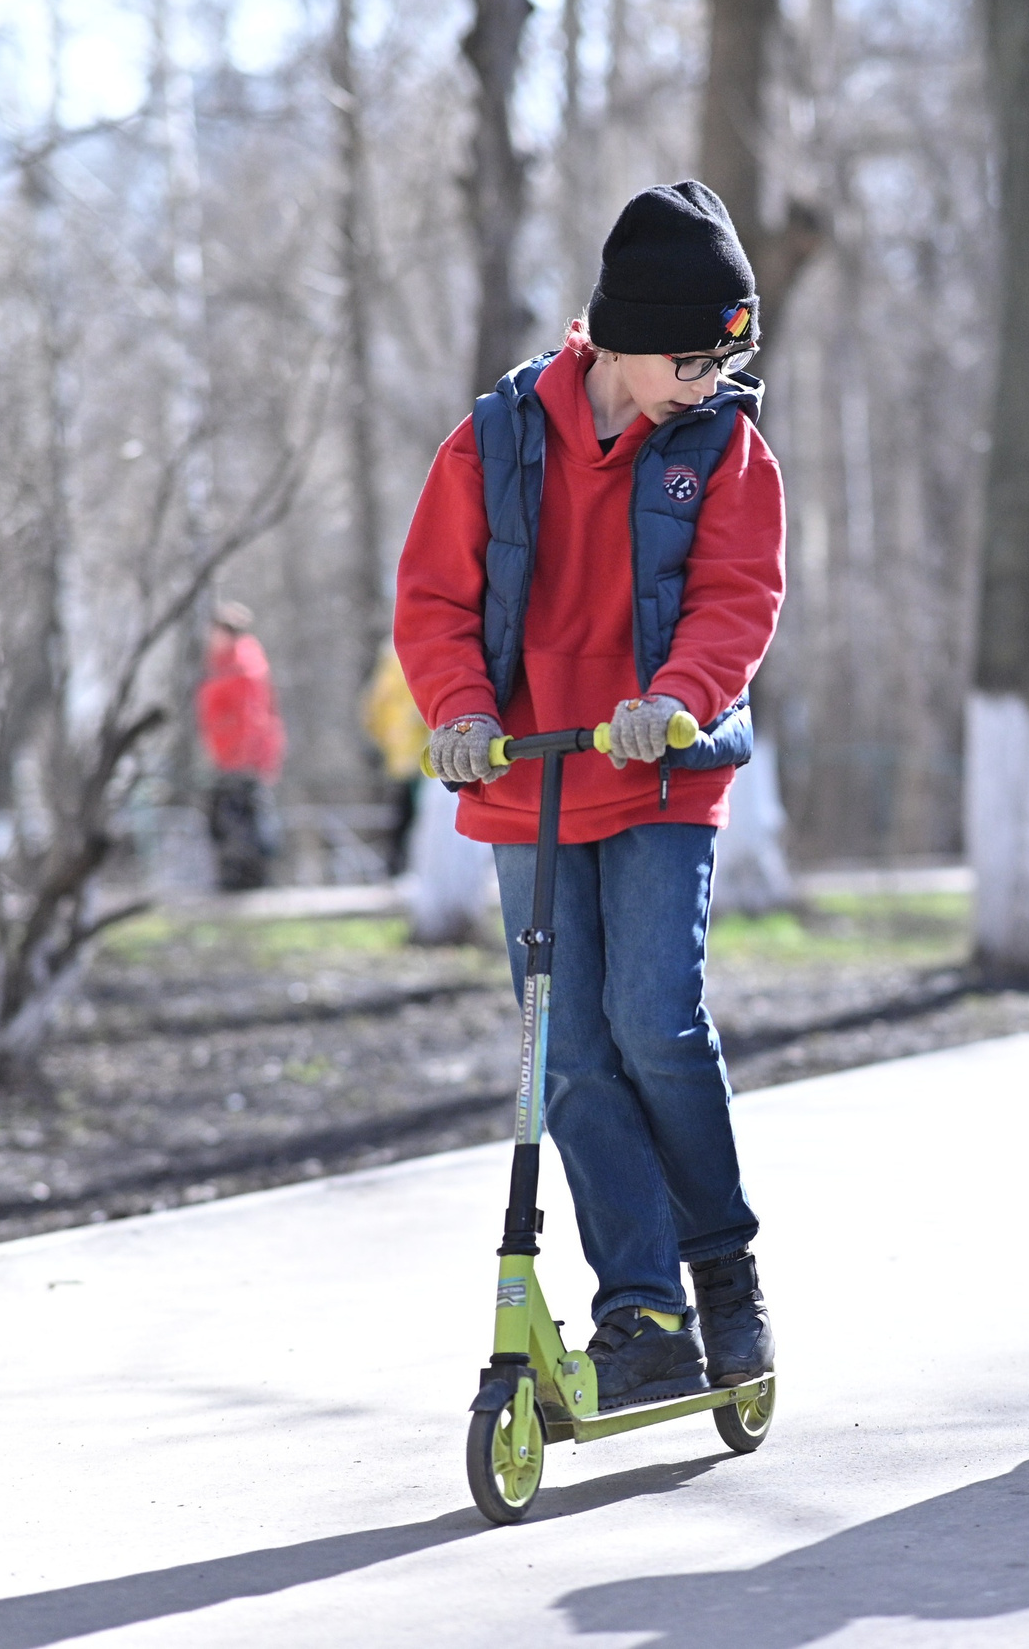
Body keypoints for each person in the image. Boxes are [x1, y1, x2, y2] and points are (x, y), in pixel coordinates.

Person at [394, 180, 784, 1410]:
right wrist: (459, 713)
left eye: (731, 355)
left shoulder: (723, 448)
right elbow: (435, 600)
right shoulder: (495, 437)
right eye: (691, 356)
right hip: (536, 779)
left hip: (660, 765)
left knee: (653, 1019)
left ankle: (722, 1271)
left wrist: (677, 695)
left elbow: (737, 597)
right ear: (617, 337)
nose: (712, 379)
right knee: (565, 1057)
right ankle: (642, 1308)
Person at [196, 601, 285, 892]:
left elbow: (251, 717)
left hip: (242, 760)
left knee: (241, 822)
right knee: (226, 821)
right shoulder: (221, 665)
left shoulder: (243, 667)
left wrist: (243, 756)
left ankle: (246, 880)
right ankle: (235, 877)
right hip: (227, 757)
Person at [361, 641, 429, 878]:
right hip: (420, 752)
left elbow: (373, 710)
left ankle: (398, 866)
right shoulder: (408, 658)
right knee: (417, 812)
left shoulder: (388, 662)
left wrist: (385, 740)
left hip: (405, 753)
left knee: (405, 814)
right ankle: (408, 867)